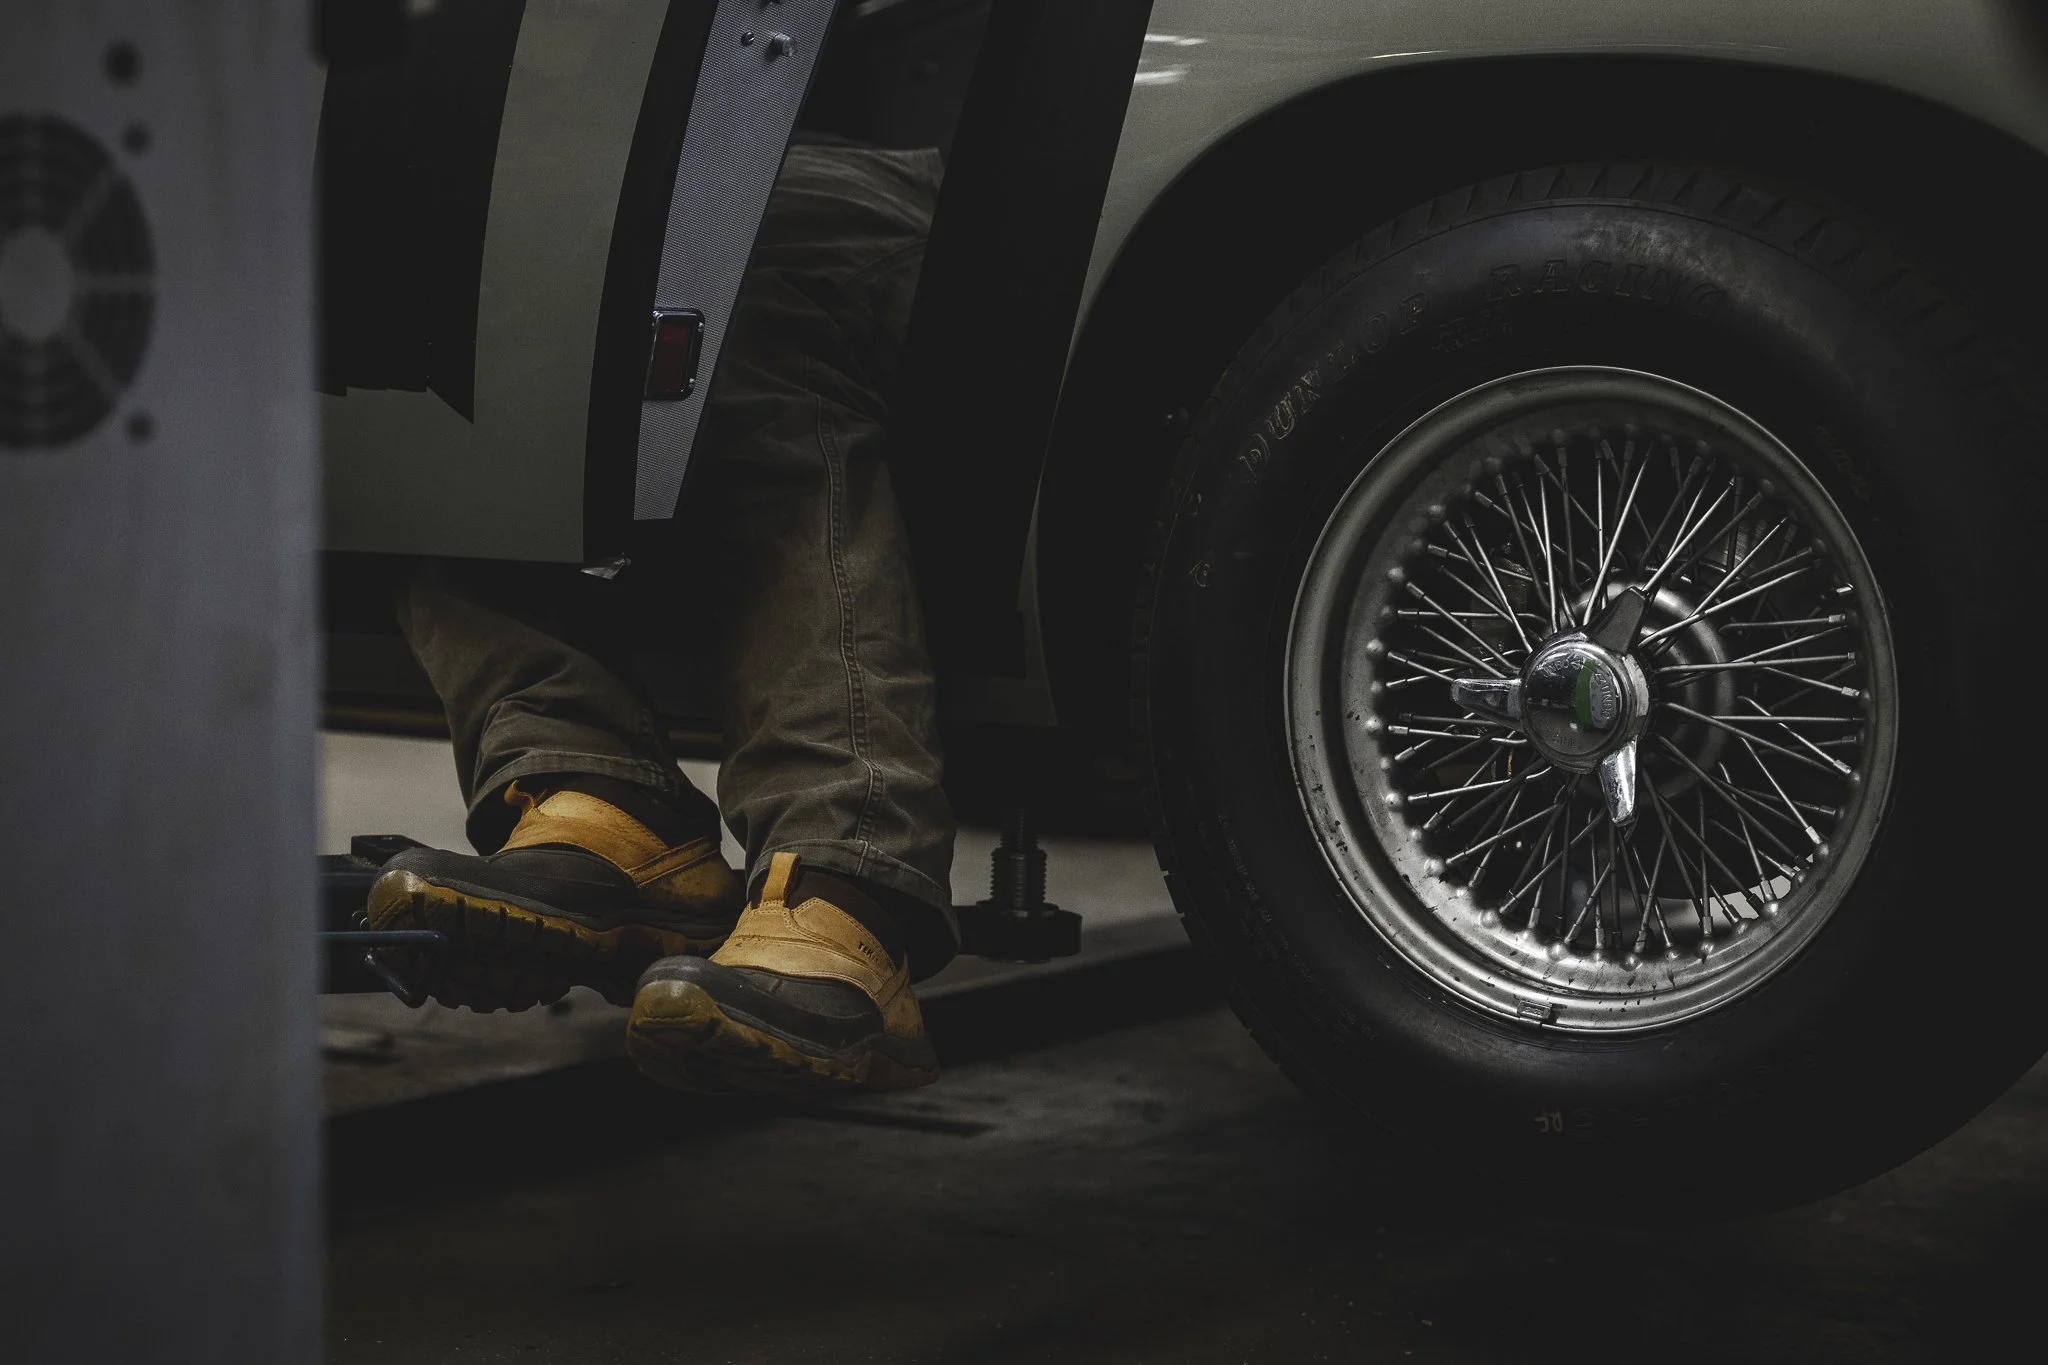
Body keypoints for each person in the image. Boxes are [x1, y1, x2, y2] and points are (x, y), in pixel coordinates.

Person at [364, 143, 958, 1095]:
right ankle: (604, 801)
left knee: (737, 264)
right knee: (424, 276)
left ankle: (842, 869)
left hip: (870, 143)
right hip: (605, 150)